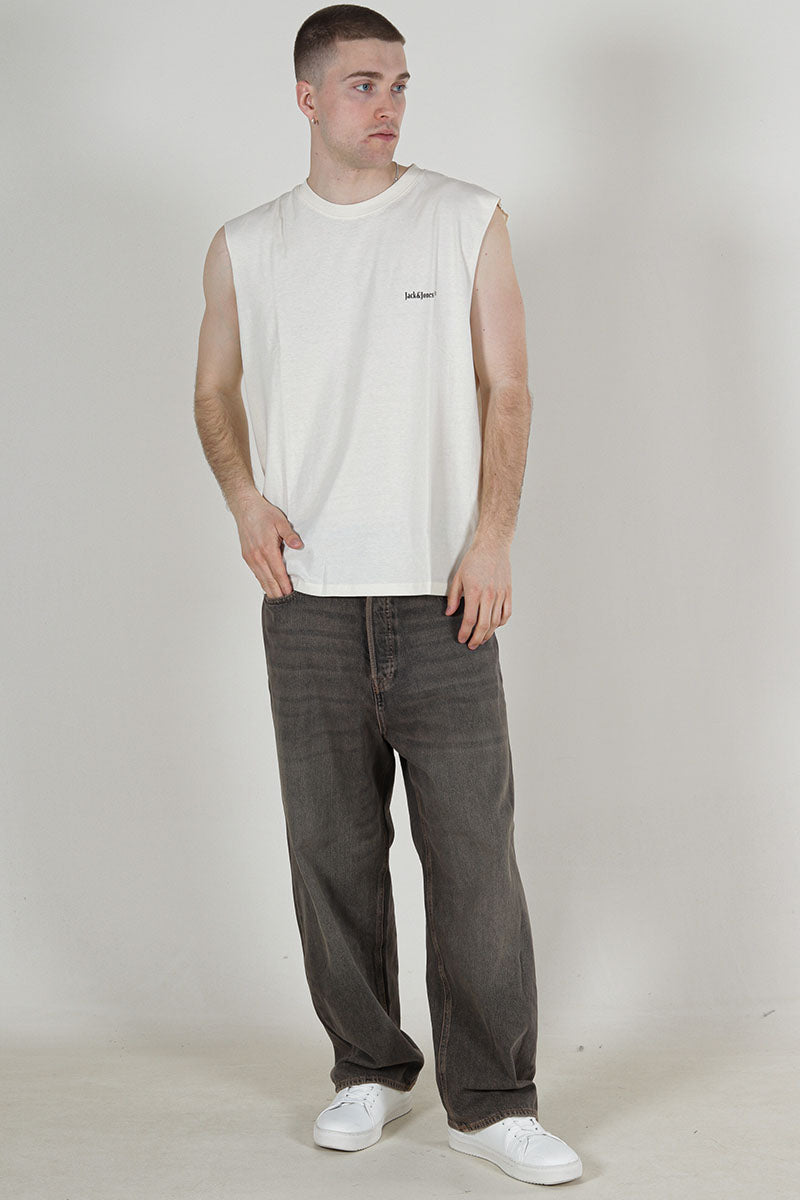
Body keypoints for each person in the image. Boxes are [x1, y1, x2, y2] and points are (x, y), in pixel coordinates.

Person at [194, 3, 582, 1187]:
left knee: (473, 860)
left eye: (400, 84)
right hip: (306, 598)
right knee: (331, 852)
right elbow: (212, 389)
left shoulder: (465, 218)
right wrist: (245, 500)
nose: (389, 106)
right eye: (364, 84)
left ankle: (491, 1102)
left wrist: (491, 537)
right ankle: (366, 1067)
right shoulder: (247, 243)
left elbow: (508, 388)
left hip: (441, 595)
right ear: (306, 97)